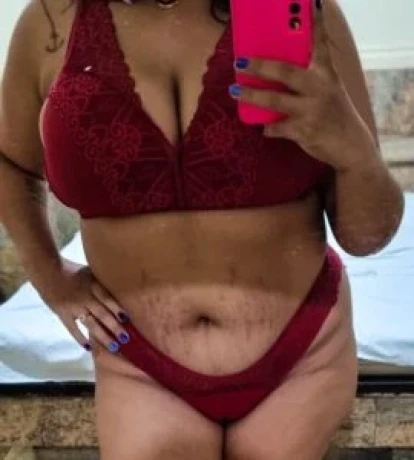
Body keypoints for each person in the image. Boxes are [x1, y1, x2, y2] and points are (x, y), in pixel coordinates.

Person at [0, 0, 404, 458]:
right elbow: (11, 163)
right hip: (140, 366)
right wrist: (51, 278)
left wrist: (354, 152)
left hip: (303, 354)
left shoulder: (308, 12)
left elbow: (368, 236)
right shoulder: (51, 21)